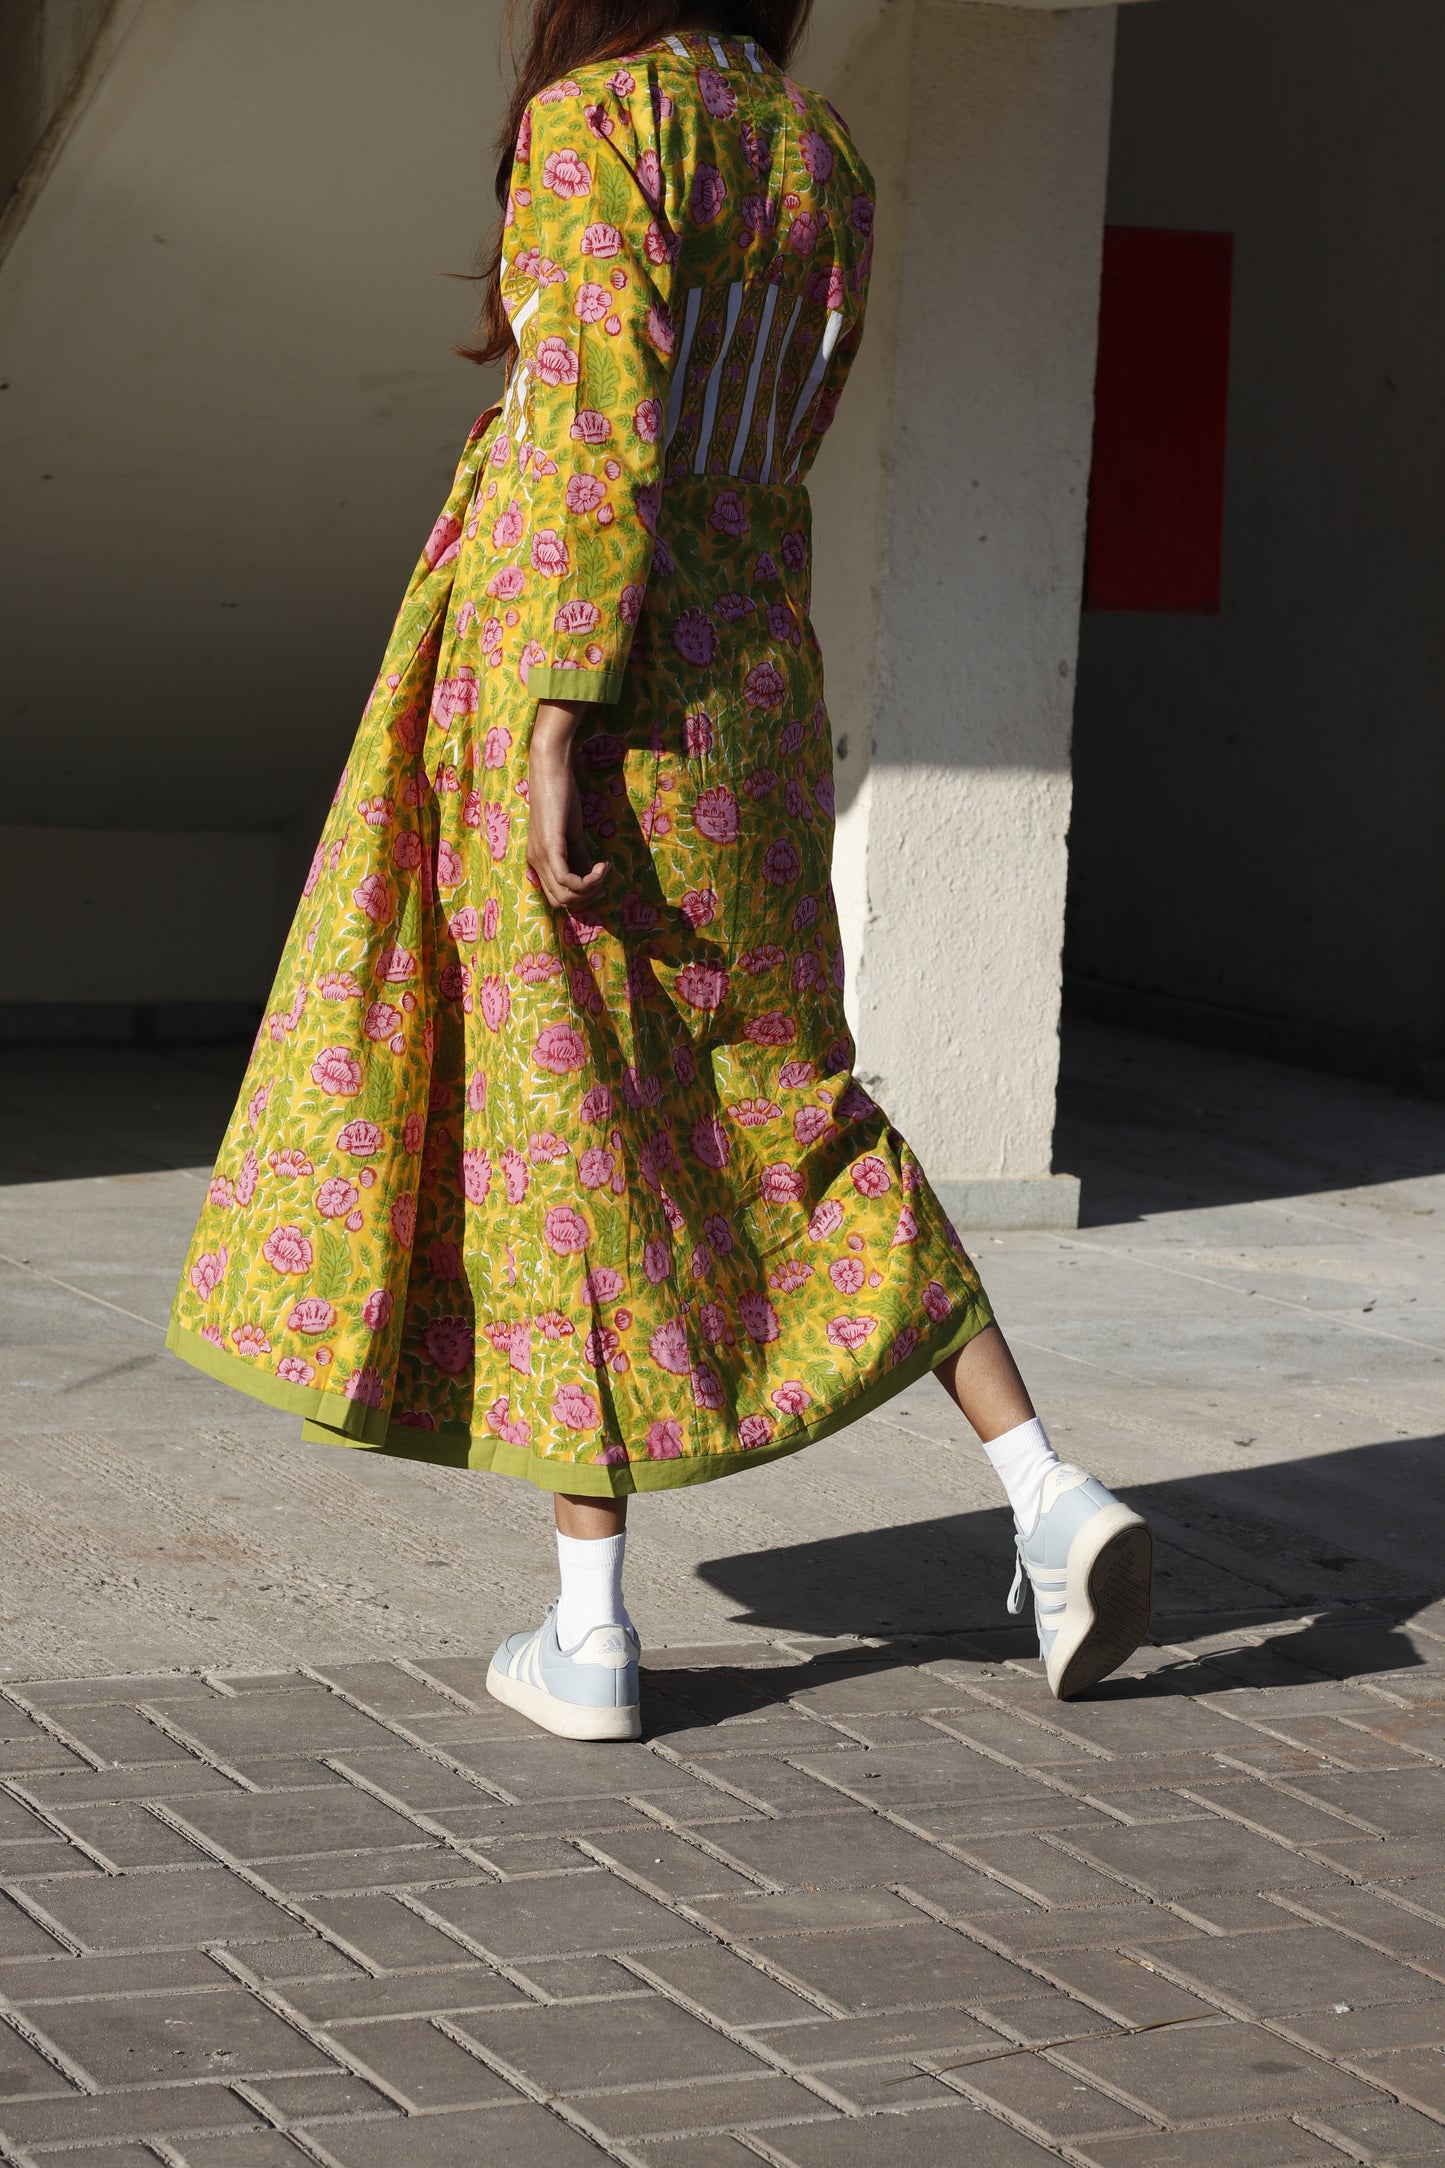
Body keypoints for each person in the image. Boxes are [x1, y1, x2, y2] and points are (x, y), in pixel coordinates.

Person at [167, 0, 1154, 1741]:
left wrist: (553, 716)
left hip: (595, 680)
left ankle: (590, 1634)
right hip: (751, 686)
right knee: (802, 1098)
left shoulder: (601, 122)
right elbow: (774, 437)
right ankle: (1050, 1494)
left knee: (570, 1122)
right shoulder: (813, 143)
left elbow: (587, 440)